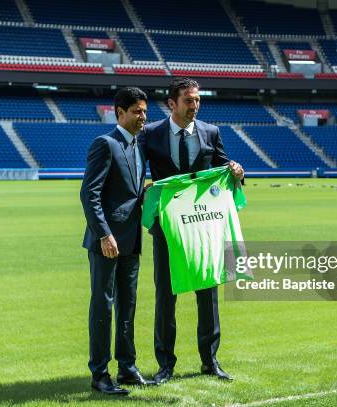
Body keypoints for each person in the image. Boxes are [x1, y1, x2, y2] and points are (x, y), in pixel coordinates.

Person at [139, 78, 245, 383]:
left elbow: (225, 169)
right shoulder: (151, 134)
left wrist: (238, 171)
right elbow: (137, 170)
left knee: (207, 292)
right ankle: (165, 365)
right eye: (188, 100)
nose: (194, 105)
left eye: (197, 100)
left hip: (204, 226)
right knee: (166, 296)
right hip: (168, 228)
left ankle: (210, 361)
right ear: (172, 104)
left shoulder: (211, 132)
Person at [80, 87, 152, 395]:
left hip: (131, 240)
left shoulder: (140, 146)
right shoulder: (105, 144)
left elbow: (130, 194)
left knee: (128, 306)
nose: (142, 116)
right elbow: (89, 194)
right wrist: (104, 234)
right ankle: (99, 374)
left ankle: (127, 367)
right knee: (103, 307)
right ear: (119, 112)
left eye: (145, 111)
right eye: (137, 111)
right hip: (107, 242)